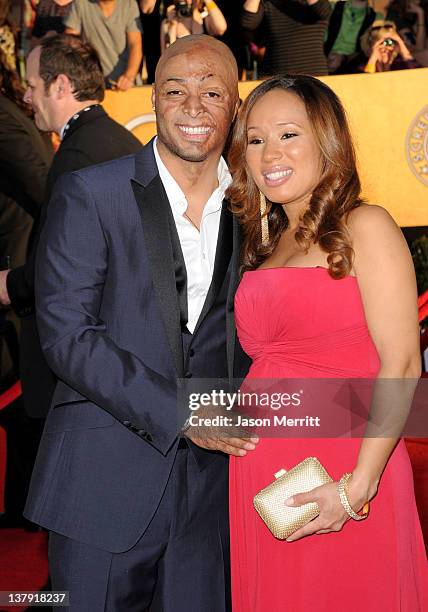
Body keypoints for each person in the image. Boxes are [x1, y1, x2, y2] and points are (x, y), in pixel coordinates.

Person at [24, 34, 255, 611]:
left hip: (212, 501)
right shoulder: (91, 192)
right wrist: (181, 412)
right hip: (102, 484)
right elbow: (68, 336)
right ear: (154, 99)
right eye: (176, 90)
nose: (194, 106)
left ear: (235, 105)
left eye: (212, 91)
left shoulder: (255, 212)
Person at [226, 75, 428, 611]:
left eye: (289, 134)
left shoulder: (366, 225)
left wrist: (354, 490)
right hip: (265, 479)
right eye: (255, 138)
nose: (270, 153)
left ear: (326, 142)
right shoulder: (264, 245)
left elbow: (403, 360)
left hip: (347, 467)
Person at [0, 34, 141, 423]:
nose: (26, 99)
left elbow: (65, 268)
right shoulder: (117, 138)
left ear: (60, 85)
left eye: (31, 87)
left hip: (87, 373)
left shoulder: (78, 155)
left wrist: (11, 285)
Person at [64, 0, 143, 90]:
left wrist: (129, 76)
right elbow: (70, 43)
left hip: (125, 85)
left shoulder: (129, 4)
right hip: (92, 86)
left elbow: (135, 45)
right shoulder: (80, 3)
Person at [241, 0, 331, 76]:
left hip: (313, 73)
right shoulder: (269, 3)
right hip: (276, 75)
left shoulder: (315, 4)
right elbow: (247, 22)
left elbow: (322, 11)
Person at [324, 0, 379, 74]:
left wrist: (343, 58)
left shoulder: (376, 17)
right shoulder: (331, 7)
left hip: (354, 68)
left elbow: (370, 51)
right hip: (321, 62)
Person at [160, 0, 227, 53]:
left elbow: (221, 28)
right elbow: (165, 59)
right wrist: (172, 27)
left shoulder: (205, 17)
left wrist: (207, 1)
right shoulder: (168, 22)